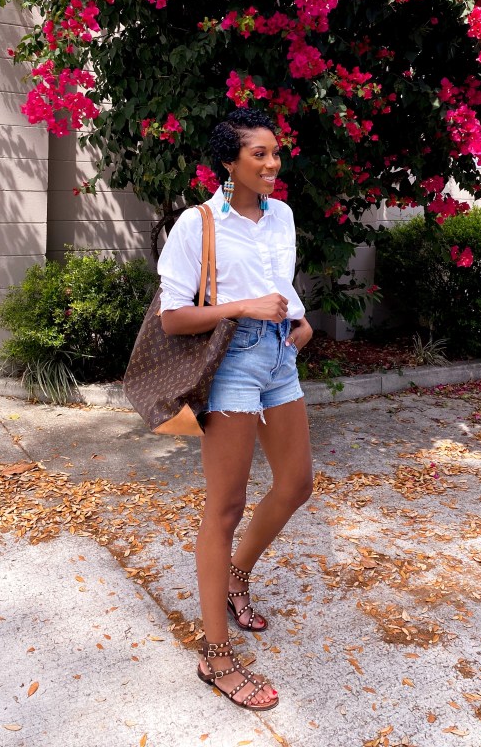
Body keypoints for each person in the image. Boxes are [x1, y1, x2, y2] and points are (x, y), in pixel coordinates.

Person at [157, 106, 314, 712]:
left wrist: (297, 323)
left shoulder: (283, 215)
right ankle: (215, 655)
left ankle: (237, 576)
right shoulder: (197, 224)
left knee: (296, 483)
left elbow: (282, 286)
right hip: (230, 364)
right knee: (224, 507)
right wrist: (242, 309)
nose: (273, 163)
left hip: (278, 355)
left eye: (275, 152)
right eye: (259, 154)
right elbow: (174, 318)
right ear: (230, 161)